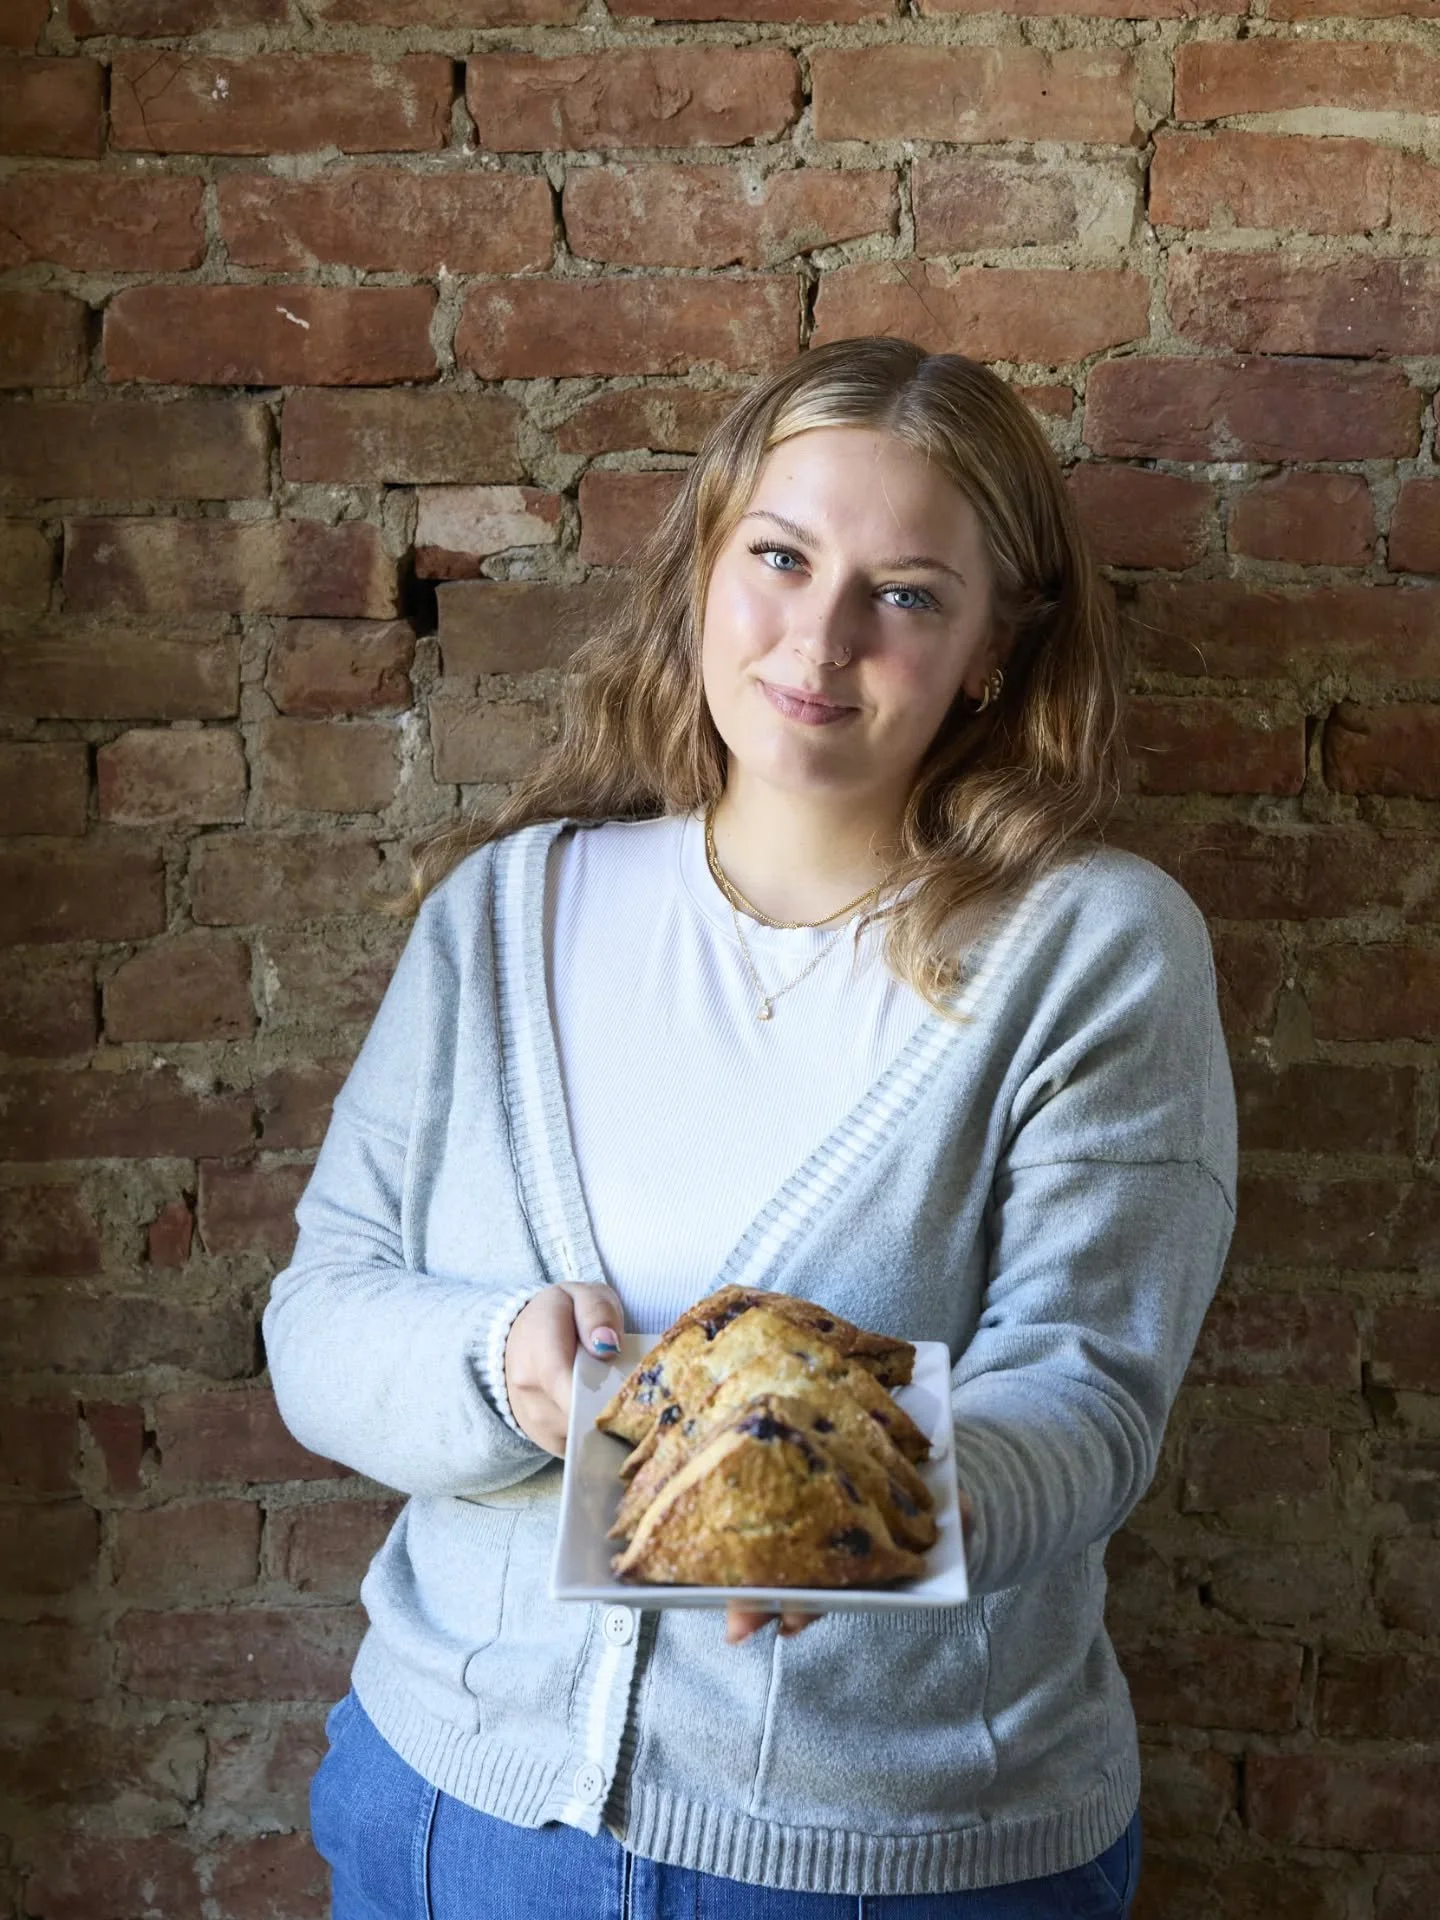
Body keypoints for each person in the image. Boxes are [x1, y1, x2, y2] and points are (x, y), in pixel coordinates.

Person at [263, 335, 1236, 1919]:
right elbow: (316, 1321)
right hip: (453, 1816)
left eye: (908, 592)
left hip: (888, 1860)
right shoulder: (506, 914)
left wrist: (870, 1507)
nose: (820, 637)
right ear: (708, 562)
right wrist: (506, 1361)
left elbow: (1093, 1395)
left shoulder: (1095, 948)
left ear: (995, 645)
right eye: (779, 557)